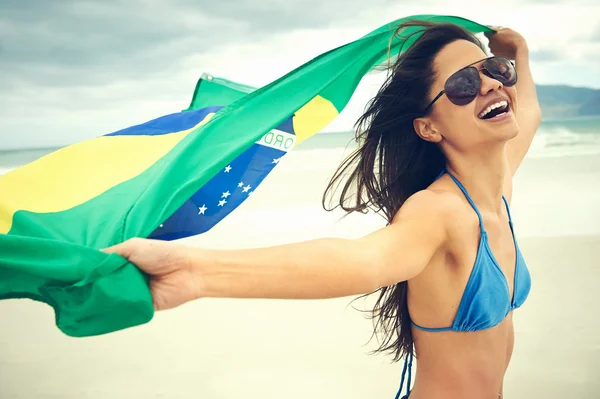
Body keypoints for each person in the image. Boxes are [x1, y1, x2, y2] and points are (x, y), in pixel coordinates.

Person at [103, 20, 541, 399]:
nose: (489, 84)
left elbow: (530, 112)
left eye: (493, 71)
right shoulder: (439, 212)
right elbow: (363, 261)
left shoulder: (497, 187)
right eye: (462, 85)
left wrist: (517, 54)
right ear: (428, 126)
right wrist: (196, 272)